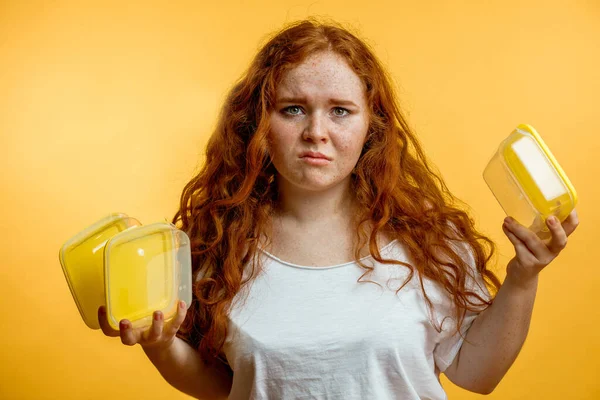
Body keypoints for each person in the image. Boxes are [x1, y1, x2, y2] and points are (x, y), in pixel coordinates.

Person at [98, 18, 579, 399]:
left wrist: (522, 277)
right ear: (258, 124)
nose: (316, 132)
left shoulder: (429, 242)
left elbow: (477, 375)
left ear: (372, 126)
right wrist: (161, 346)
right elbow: (224, 388)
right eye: (292, 109)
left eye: (340, 110)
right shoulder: (220, 246)